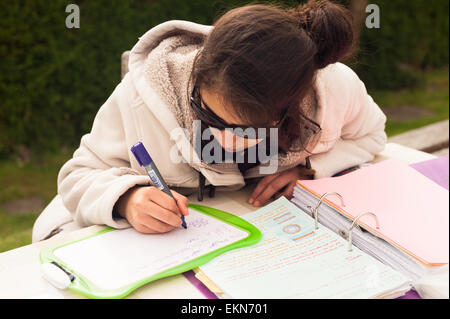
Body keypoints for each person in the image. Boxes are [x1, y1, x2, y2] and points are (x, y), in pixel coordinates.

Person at [52, 1, 387, 236]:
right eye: (207, 115)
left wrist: (311, 168)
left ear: (288, 110)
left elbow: (372, 135)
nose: (224, 140)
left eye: (247, 131)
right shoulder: (142, 95)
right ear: (197, 78)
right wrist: (127, 199)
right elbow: (77, 176)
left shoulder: (332, 89)